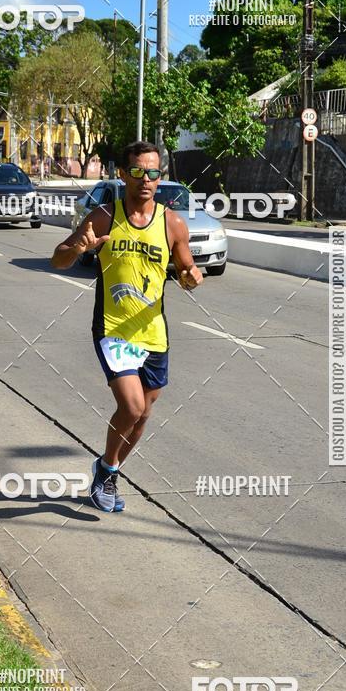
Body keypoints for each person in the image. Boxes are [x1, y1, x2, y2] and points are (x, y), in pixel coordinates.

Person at [51, 140, 203, 513]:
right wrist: (78, 249)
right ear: (122, 175)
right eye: (137, 171)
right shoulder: (104, 217)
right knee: (132, 407)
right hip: (113, 328)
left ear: (160, 176)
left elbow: (186, 269)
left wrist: (191, 277)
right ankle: (107, 469)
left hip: (154, 333)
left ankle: (107, 470)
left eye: (153, 172)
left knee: (144, 414)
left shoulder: (172, 223)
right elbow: (58, 259)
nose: (145, 179)